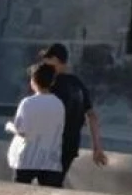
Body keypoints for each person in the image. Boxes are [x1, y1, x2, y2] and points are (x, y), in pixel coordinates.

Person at [38, 43, 109, 180]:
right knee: (55, 181)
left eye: (48, 63)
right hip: (70, 145)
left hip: (52, 145)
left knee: (46, 183)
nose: (45, 68)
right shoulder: (78, 84)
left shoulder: (51, 84)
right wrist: (97, 147)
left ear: (58, 61)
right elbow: (92, 116)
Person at [6, 62, 67, 187]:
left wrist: (9, 126)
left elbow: (22, 131)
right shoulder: (59, 104)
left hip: (28, 159)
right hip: (51, 161)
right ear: (52, 82)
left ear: (33, 81)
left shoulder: (27, 103)